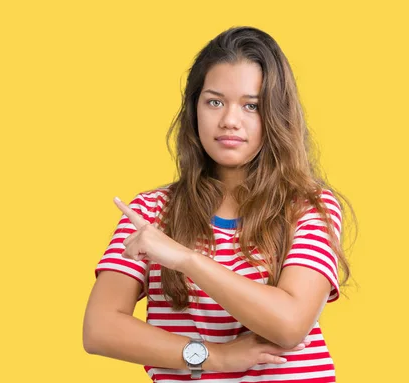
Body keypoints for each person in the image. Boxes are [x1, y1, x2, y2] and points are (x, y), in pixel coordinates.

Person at [82, 26, 355, 382]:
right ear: (194, 109)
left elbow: (289, 325)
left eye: (251, 106)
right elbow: (100, 329)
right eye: (214, 101)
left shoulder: (307, 206)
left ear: (276, 115)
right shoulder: (150, 212)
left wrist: (185, 259)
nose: (229, 120)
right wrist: (216, 357)